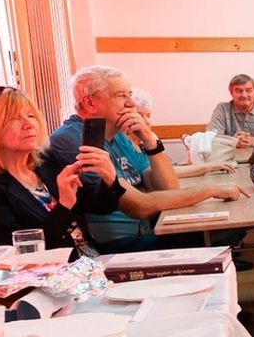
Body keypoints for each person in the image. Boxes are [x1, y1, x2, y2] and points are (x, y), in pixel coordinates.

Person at [40, 66, 239, 250]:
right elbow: (141, 207)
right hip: (114, 248)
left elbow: (167, 188)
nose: (131, 103)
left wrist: (150, 141)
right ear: (89, 103)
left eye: (130, 94)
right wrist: (210, 190)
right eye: (120, 95)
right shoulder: (72, 140)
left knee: (227, 226)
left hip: (145, 231)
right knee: (214, 233)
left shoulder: (118, 136)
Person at [0, 86, 129, 249]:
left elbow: (100, 207)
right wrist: (64, 204)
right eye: (13, 119)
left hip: (91, 257)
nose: (29, 124)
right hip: (55, 274)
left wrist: (109, 180)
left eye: (31, 116)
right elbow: (21, 254)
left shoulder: (47, 162)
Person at [208, 74, 254, 147]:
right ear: (231, 94)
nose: (244, 95)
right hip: (230, 157)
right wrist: (233, 141)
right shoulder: (222, 109)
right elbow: (212, 138)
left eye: (249, 90)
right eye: (239, 91)